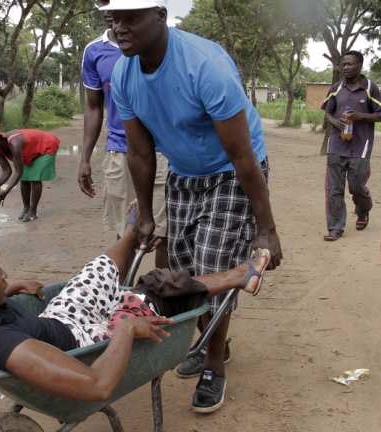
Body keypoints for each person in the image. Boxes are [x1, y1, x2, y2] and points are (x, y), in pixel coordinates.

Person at [101, 0, 283, 413]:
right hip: (184, 172)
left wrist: (266, 227)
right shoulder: (123, 73)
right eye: (114, 20)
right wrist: (146, 215)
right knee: (182, 270)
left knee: (212, 265)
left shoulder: (204, 66)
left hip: (230, 171)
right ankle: (213, 338)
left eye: (131, 19)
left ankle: (214, 364)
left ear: (161, 16)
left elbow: (242, 155)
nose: (119, 29)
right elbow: (141, 152)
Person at [0, 226, 270, 401]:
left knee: (97, 270)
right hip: (85, 340)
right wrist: (126, 330)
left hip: (57, 317)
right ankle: (239, 275)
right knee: (155, 288)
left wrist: (4, 290)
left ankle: (134, 230)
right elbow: (97, 385)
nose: (4, 274)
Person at [79, 0, 169, 268]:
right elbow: (94, 107)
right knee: (126, 233)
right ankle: (120, 299)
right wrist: (85, 158)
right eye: (105, 4)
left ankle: (160, 302)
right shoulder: (95, 51)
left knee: (165, 234)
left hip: (163, 151)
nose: (110, 11)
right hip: (119, 152)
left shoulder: (159, 42)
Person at [321, 50, 381, 242]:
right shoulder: (336, 88)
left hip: (360, 146)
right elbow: (327, 113)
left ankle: (363, 210)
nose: (345, 68)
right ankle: (335, 228)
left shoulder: (370, 88)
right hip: (337, 145)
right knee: (334, 189)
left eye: (350, 64)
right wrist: (336, 123)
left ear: (360, 65)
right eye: (343, 64)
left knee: (357, 187)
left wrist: (360, 117)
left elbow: (380, 115)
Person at [0, 122, 59, 222]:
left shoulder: (14, 143)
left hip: (46, 144)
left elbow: (18, 172)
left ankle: (33, 212)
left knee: (34, 178)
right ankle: (26, 208)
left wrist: (6, 191)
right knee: (24, 179)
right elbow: (6, 171)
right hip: (30, 150)